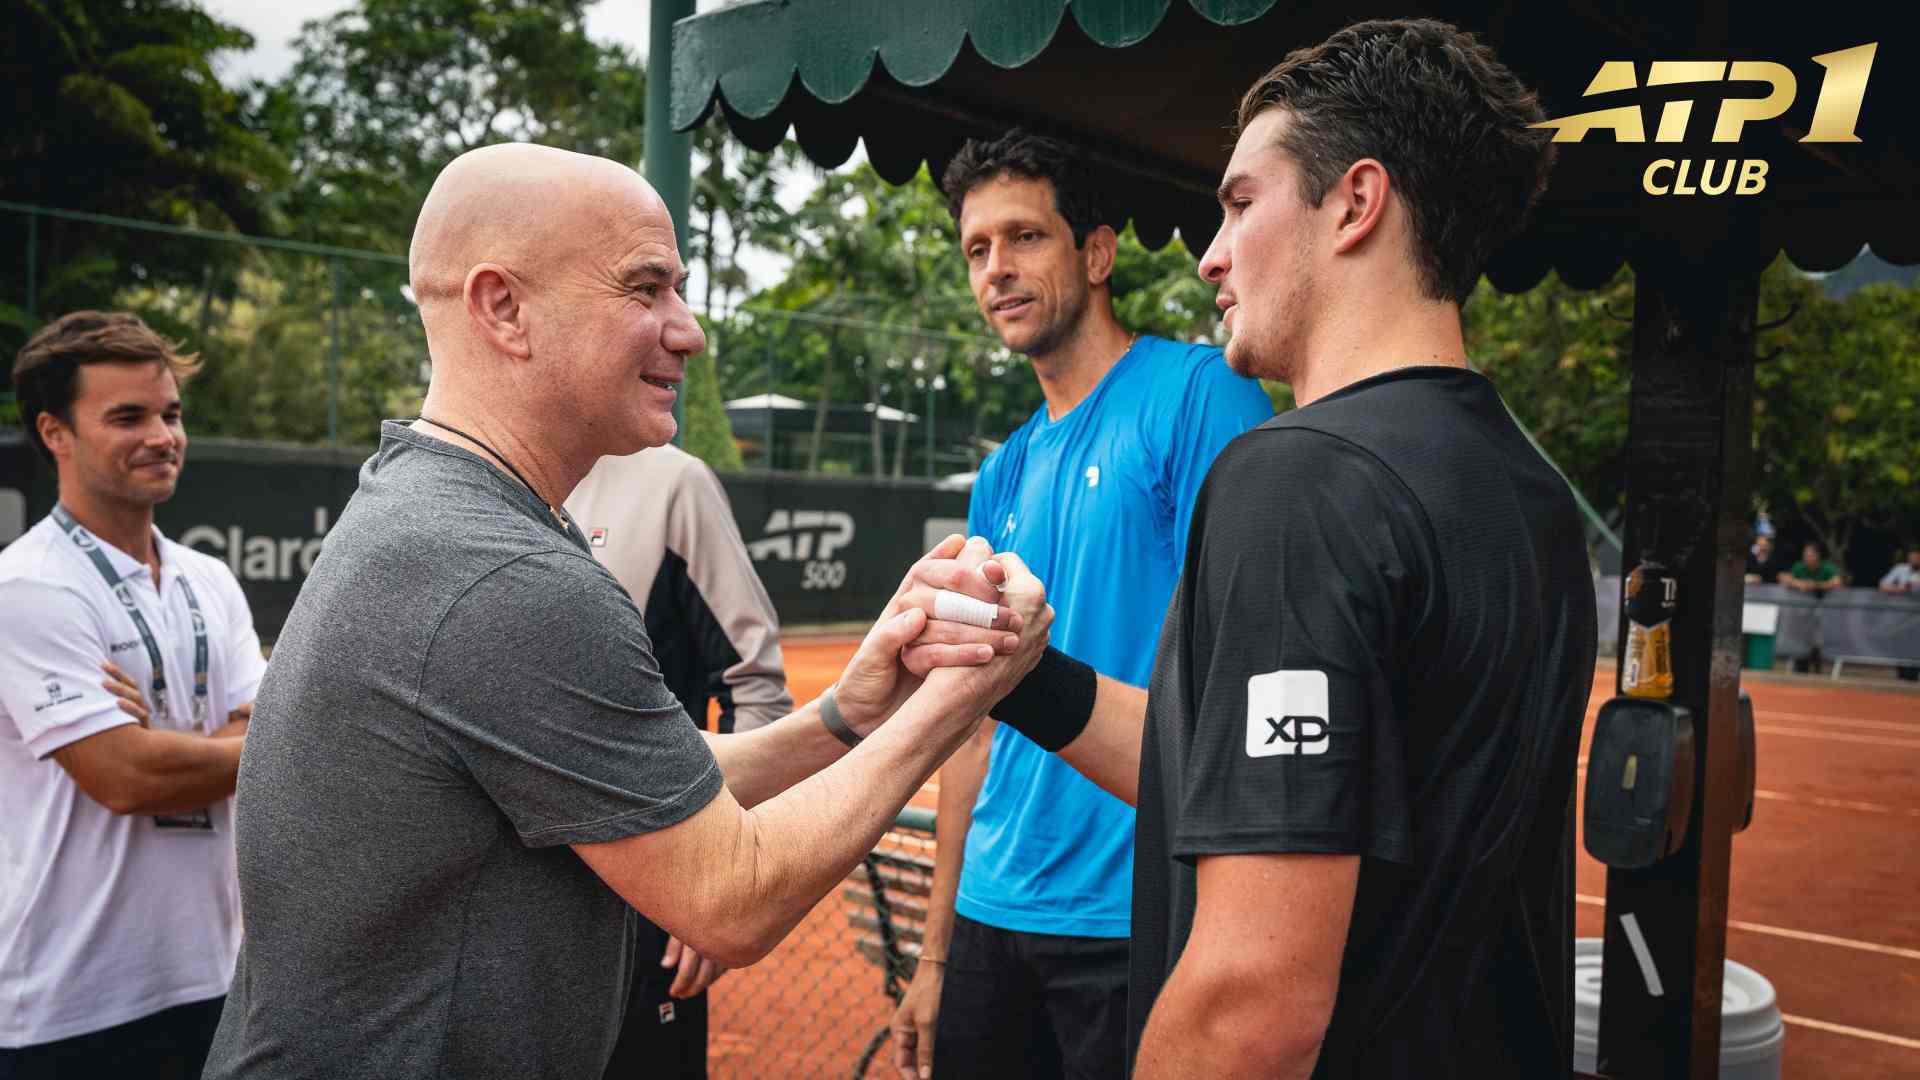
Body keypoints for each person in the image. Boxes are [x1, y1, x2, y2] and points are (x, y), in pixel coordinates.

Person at [200, 143, 1052, 1080]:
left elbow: (643, 774)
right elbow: (733, 898)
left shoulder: (437, 507)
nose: (689, 331)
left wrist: (849, 712)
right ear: (503, 308)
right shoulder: (503, 574)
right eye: (646, 288)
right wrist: (965, 694)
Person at [897, 18, 1595, 1077]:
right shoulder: (1528, 488)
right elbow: (1226, 768)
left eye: (1239, 204)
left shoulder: (1296, 476)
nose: (1212, 254)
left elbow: (1252, 1004)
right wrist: (1024, 673)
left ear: (1355, 203)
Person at [888, 130, 1272, 1079]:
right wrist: (935, 954)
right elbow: (971, 728)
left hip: (1133, 919)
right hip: (990, 917)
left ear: (1096, 254)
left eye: (1025, 237)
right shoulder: (1003, 472)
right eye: (977, 249)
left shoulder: (1201, 395)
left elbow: (1242, 678)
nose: (996, 270)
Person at [0, 311, 262, 1079]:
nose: (162, 436)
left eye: (170, 414)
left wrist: (165, 746)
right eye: (128, 417)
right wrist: (234, 744)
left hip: (212, 978)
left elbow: (268, 729)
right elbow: (126, 777)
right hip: (70, 1003)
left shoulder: (209, 577)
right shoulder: (29, 586)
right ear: (55, 432)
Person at [567, 443, 796, 1078]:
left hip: (641, 902)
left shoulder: (673, 484)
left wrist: (716, 879)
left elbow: (756, 691)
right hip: (495, 925)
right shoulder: (463, 484)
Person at [1880, 548, 1920, 680]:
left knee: (1916, 643)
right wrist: (1901, 588)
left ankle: (1914, 673)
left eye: (1917, 558)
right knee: (1901, 641)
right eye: (1912, 557)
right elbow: (1883, 585)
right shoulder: (1900, 569)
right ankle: (1902, 672)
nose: (1914, 560)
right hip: (1901, 614)